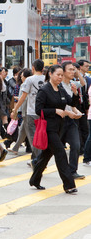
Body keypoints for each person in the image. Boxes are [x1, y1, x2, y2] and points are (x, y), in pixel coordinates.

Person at [29, 65, 82, 194]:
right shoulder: (44, 90)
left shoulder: (61, 89)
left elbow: (72, 103)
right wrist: (55, 111)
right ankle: (69, 185)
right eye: (58, 75)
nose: (60, 77)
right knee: (61, 153)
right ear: (50, 74)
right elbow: (38, 110)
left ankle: (35, 180)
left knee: (46, 155)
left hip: (59, 128)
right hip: (47, 128)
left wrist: (75, 93)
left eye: (61, 75)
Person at [11, 59, 45, 168]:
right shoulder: (47, 79)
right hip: (44, 113)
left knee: (33, 138)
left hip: (32, 112)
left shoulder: (29, 80)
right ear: (43, 68)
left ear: (33, 68)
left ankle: (39, 162)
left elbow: (23, 97)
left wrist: (15, 109)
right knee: (41, 137)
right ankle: (35, 160)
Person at [60, 61, 85, 180]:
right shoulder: (57, 85)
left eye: (73, 69)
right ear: (63, 71)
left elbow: (71, 103)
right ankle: (36, 161)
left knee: (76, 145)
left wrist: (76, 112)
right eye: (70, 69)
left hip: (71, 121)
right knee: (50, 149)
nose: (72, 72)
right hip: (59, 121)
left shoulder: (72, 84)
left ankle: (72, 171)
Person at [8, 68, 32, 155]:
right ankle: (16, 147)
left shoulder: (26, 84)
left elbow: (23, 98)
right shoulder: (25, 84)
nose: (21, 78)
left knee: (29, 132)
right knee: (22, 130)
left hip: (26, 110)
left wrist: (15, 110)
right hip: (25, 110)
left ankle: (36, 151)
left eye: (22, 76)